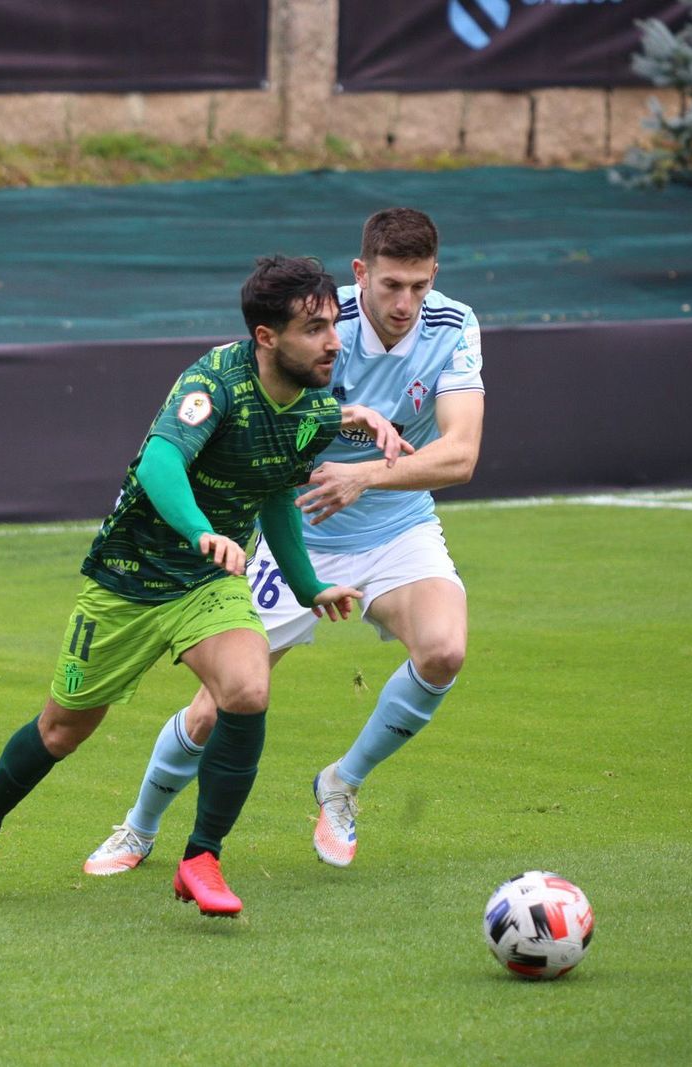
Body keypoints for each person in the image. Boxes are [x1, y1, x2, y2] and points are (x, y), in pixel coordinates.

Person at [0, 255, 411, 916]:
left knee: (246, 689)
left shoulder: (315, 405)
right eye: (313, 328)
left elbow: (274, 491)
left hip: (208, 584)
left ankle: (201, 857)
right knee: (60, 730)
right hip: (128, 579)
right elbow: (160, 458)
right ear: (266, 337)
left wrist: (307, 585)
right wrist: (198, 530)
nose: (333, 341)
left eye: (333, 324)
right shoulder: (214, 379)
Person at [83, 207, 484, 875]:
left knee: (444, 649)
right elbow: (259, 404)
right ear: (362, 274)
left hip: (396, 522)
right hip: (293, 524)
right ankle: (139, 825)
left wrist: (361, 477)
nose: (405, 303)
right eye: (390, 285)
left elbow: (461, 454)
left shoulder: (454, 324)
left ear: (434, 276)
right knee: (219, 703)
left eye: (419, 285)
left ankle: (342, 781)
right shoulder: (323, 322)